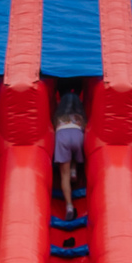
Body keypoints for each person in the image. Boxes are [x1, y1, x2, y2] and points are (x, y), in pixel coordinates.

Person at [53, 91, 85, 221]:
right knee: (76, 150)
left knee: (64, 175)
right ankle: (74, 169)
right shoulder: (80, 116)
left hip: (62, 136)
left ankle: (69, 206)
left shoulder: (58, 116)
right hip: (77, 135)